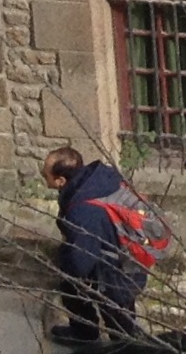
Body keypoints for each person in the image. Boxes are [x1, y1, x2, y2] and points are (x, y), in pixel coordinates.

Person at [42, 143, 146, 342]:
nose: (42, 175)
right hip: (129, 257)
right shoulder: (101, 179)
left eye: (45, 174)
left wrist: (64, 264)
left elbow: (80, 262)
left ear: (60, 180)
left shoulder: (83, 211)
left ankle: (103, 342)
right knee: (122, 313)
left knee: (118, 323)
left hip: (115, 272)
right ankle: (92, 333)